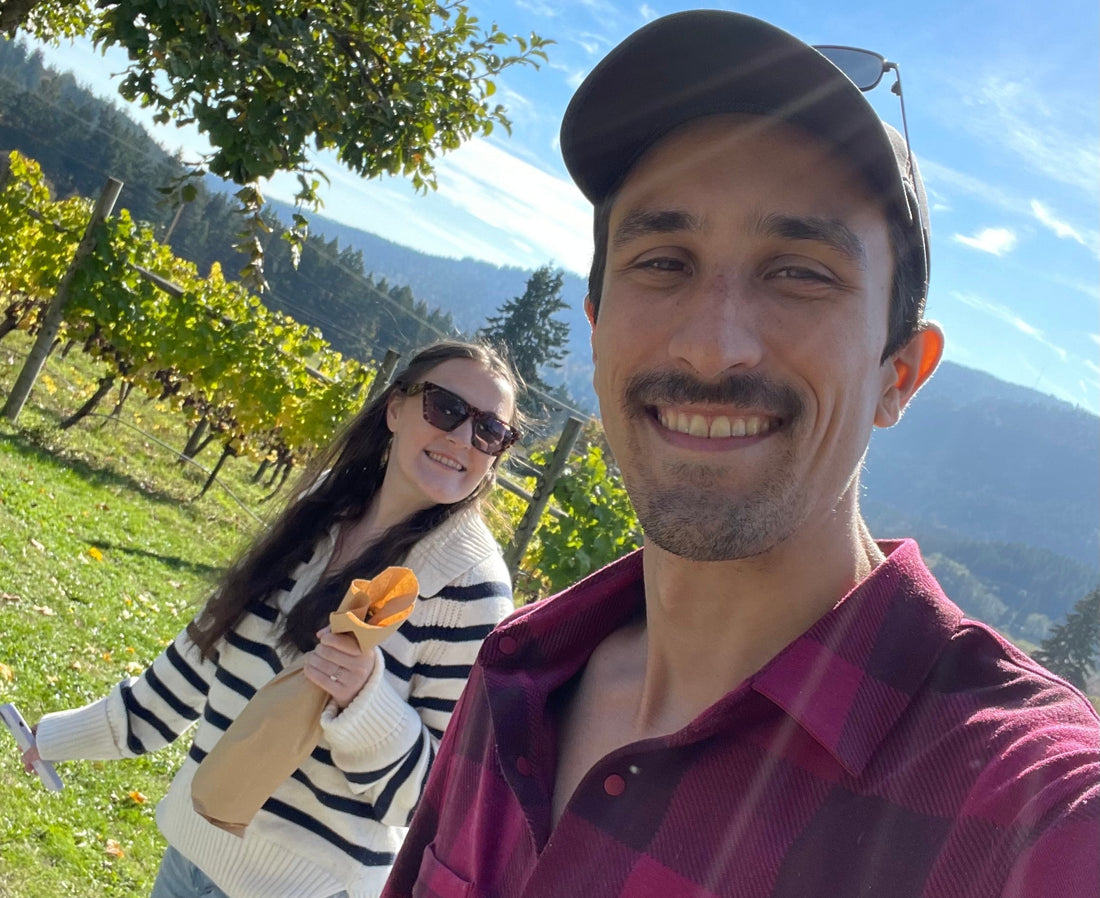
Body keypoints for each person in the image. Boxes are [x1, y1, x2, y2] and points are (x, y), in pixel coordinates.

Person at [380, 12, 1100, 898]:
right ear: (598, 332)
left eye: (800, 271)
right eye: (663, 261)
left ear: (899, 375)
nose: (712, 348)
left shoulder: (1028, 811)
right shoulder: (518, 676)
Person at [23, 340, 522, 898]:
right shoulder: (319, 512)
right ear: (396, 409)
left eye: (490, 432)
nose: (461, 438)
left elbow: (438, 797)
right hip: (190, 854)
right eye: (446, 407)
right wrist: (57, 737)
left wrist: (366, 701)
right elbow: (197, 664)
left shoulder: (471, 589)